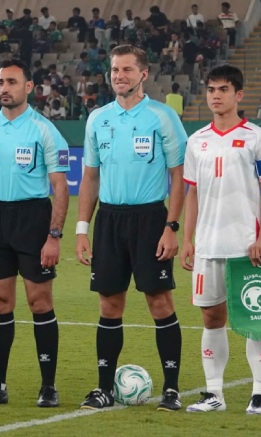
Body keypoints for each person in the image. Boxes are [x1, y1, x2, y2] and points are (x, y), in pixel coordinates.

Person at [76, 45, 188, 412]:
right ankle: (103, 388)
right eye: (114, 70)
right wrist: (81, 228)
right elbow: (90, 177)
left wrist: (171, 226)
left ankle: (171, 389)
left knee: (159, 301)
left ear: (143, 74)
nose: (118, 76)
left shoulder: (162, 117)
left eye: (126, 70)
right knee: (109, 305)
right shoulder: (98, 119)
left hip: (150, 220)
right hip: (108, 220)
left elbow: (178, 176)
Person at [0, 59, 69, 408]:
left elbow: (59, 186)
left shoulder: (44, 130)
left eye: (11, 82)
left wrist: (54, 235)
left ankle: (49, 387)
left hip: (33, 218)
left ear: (29, 88)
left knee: (40, 302)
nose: (3, 88)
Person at [180, 64, 261, 415]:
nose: (216, 96)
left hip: (245, 245)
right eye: (211, 90)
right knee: (211, 318)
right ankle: (214, 394)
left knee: (255, 318)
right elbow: (190, 194)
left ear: (239, 94)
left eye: (223, 90)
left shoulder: (257, 137)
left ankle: (260, 393)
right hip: (207, 244)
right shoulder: (196, 141)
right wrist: (187, 239)